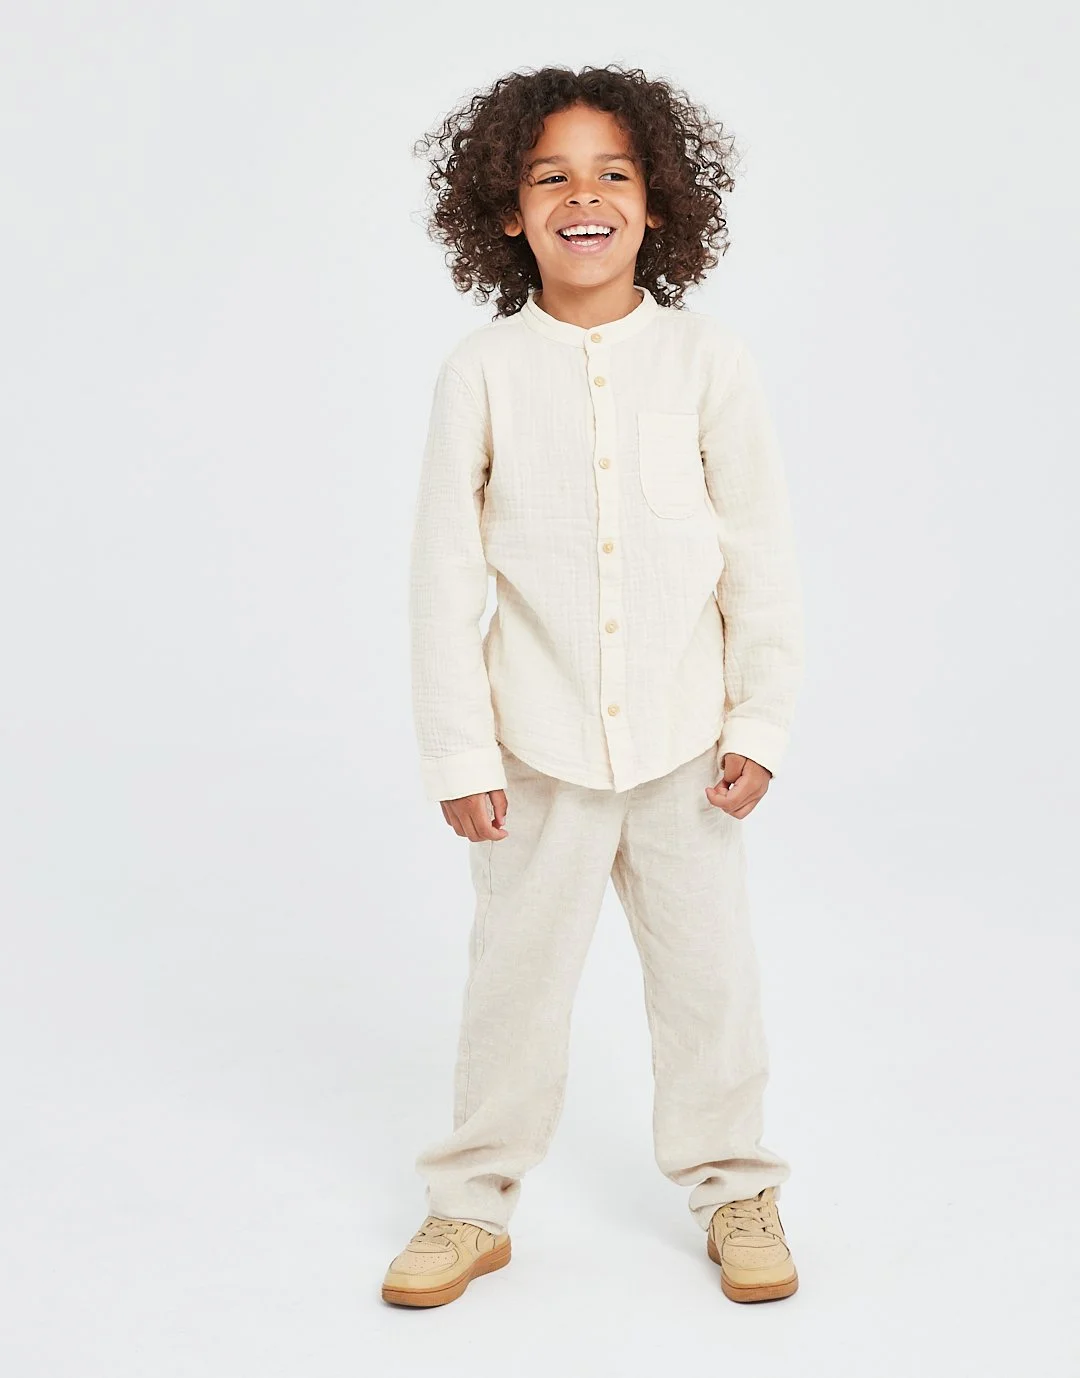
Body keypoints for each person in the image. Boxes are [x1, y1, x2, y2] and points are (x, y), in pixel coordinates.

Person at [381, 63, 805, 1309]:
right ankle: (471, 1201)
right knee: (513, 989)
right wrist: (461, 755)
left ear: (658, 201)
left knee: (709, 983)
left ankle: (736, 1184)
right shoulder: (482, 373)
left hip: (688, 752)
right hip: (536, 756)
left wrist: (762, 721)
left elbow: (762, 559)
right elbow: (440, 581)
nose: (585, 196)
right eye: (550, 174)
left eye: (614, 173)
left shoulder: (708, 361)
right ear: (507, 211)